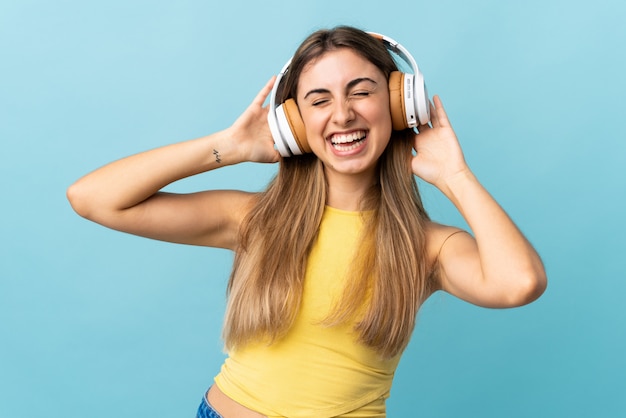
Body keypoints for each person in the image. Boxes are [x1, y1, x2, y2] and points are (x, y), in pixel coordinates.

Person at [67, 26, 547, 418]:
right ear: (293, 123)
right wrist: (229, 147)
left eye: (362, 92)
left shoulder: (428, 246)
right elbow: (93, 199)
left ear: (401, 104)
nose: (343, 114)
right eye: (319, 101)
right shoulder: (255, 219)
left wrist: (454, 175)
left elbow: (519, 283)